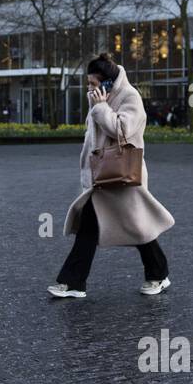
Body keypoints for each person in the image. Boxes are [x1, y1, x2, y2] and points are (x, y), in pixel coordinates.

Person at [48, 53, 175, 300]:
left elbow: (123, 131)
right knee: (89, 228)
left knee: (139, 227)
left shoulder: (130, 97)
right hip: (102, 178)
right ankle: (73, 282)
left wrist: (101, 108)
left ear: (107, 83)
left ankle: (159, 274)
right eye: (88, 84)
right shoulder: (99, 100)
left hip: (123, 177)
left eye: (93, 84)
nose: (89, 89)